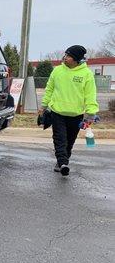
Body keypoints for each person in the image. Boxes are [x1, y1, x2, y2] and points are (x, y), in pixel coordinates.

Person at [39, 45, 99, 176]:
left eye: (69, 56)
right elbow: (49, 89)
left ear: (77, 59)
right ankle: (62, 163)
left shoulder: (86, 74)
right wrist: (43, 106)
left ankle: (64, 160)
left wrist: (90, 113)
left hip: (76, 114)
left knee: (70, 140)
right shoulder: (57, 71)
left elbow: (90, 95)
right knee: (59, 139)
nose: (65, 58)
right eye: (65, 55)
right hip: (57, 112)